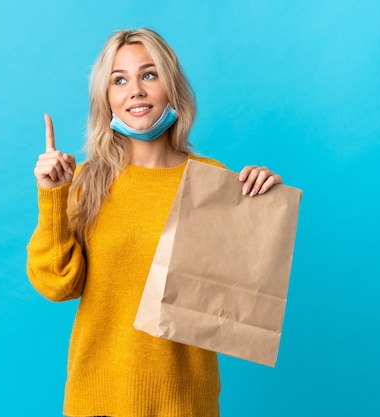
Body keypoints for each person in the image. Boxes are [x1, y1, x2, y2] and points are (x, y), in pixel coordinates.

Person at [27, 28, 282, 417]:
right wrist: (52, 196)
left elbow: (238, 298)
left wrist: (262, 205)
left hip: (186, 404)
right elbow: (56, 285)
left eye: (149, 74)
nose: (135, 90)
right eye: (119, 80)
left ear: (171, 86)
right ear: (107, 99)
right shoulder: (84, 182)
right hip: (99, 401)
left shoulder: (213, 182)